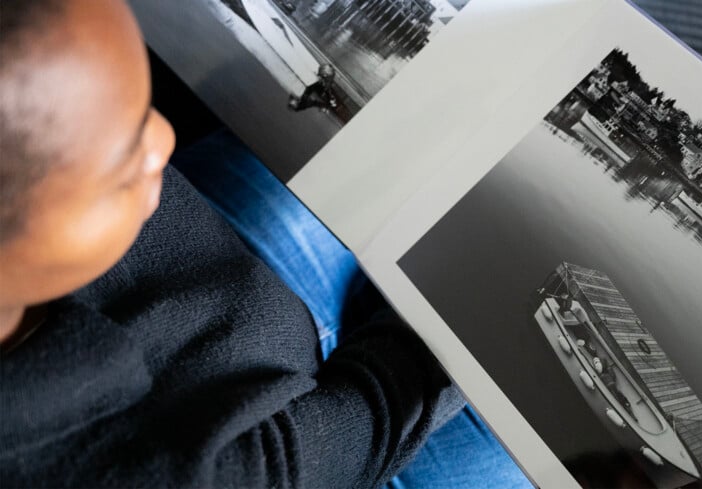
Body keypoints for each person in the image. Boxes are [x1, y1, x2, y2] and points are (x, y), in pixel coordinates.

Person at [0, 1, 533, 488]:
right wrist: (458, 318)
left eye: (141, 113)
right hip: (314, 448)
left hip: (219, 288)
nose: (162, 140)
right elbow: (355, 429)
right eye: (121, 163)